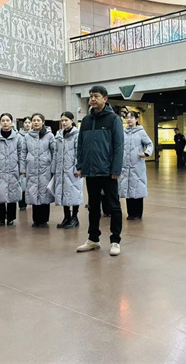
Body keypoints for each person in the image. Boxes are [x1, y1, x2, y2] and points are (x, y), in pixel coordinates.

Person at [76, 85, 124, 256]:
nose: (92, 99)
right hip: (91, 171)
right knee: (93, 206)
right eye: (90, 96)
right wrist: (80, 165)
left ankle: (115, 241)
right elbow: (81, 145)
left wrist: (116, 168)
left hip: (108, 171)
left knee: (113, 206)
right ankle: (93, 239)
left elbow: (118, 146)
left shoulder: (113, 119)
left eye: (96, 96)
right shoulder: (86, 121)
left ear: (105, 99)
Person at [0, 113, 24, 226]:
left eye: (7, 120)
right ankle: (1, 217)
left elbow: (21, 153)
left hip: (13, 168)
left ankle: (11, 218)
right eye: (3, 120)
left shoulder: (18, 137)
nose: (5, 123)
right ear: (0, 122)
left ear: (11, 122)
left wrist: (22, 169)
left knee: (12, 193)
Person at [119, 111, 153, 220]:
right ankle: (130, 213)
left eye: (131, 117)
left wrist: (146, 153)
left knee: (137, 188)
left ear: (136, 119)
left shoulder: (141, 132)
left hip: (137, 165)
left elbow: (149, 144)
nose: (129, 119)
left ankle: (138, 213)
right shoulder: (123, 132)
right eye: (127, 117)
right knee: (128, 189)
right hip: (125, 166)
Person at [23, 113, 55, 228]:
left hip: (45, 168)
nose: (36, 122)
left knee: (44, 193)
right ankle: (36, 220)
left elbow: (54, 151)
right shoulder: (27, 136)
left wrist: (53, 167)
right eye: (34, 120)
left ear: (43, 122)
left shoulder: (49, 136)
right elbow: (23, 152)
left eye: (38, 120)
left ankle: (44, 219)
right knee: (33, 192)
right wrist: (23, 168)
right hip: (31, 168)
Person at [53, 112, 83, 229]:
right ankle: (67, 217)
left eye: (66, 120)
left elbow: (79, 152)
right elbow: (55, 152)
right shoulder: (59, 135)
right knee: (63, 193)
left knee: (74, 192)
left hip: (73, 169)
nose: (64, 122)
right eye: (62, 120)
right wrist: (54, 168)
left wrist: (78, 167)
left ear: (72, 120)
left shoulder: (77, 134)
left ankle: (75, 217)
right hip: (61, 169)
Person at [18, 117, 31, 211]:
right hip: (21, 162)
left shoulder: (35, 135)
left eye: (29, 122)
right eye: (25, 122)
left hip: (31, 162)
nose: (27, 124)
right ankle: (22, 204)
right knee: (22, 184)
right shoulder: (18, 135)